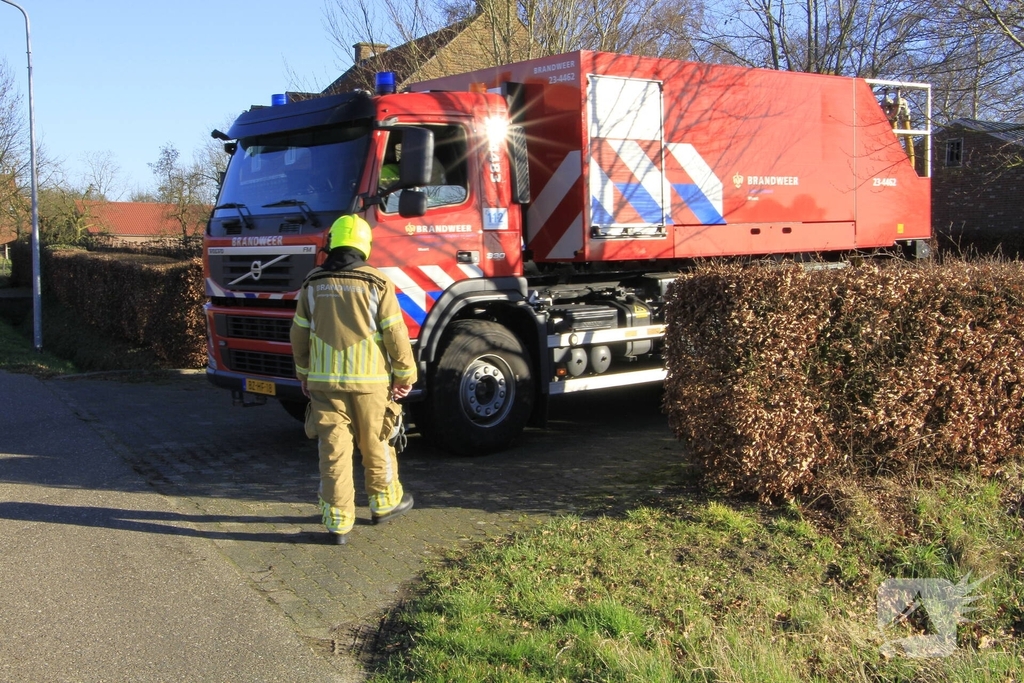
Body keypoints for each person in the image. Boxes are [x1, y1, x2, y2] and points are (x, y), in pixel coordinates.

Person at [290, 214, 417, 544]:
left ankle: (337, 522)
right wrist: (405, 375)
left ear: (331, 243)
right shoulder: (378, 283)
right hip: (371, 384)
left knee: (333, 452)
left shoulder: (312, 283)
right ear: (365, 245)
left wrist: (303, 373)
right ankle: (384, 505)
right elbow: (395, 333)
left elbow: (298, 334)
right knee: (376, 443)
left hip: (324, 384)